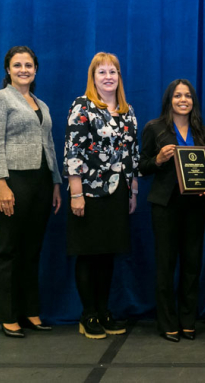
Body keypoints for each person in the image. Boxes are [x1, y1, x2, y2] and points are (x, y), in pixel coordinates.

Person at [0, 46, 62, 338]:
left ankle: (30, 311)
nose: (23, 69)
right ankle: (7, 315)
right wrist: (0, 183)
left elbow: (50, 146)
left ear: (36, 69)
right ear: (8, 69)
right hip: (13, 181)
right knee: (9, 249)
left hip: (41, 183)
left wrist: (55, 183)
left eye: (28, 65)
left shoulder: (42, 104)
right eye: (17, 65)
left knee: (32, 250)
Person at [63, 52, 139, 339]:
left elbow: (133, 153)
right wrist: (76, 193)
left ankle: (104, 311)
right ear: (93, 77)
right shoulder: (82, 106)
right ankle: (88, 314)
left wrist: (132, 191)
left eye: (113, 72)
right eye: (102, 72)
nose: (108, 77)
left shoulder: (127, 110)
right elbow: (73, 150)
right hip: (89, 193)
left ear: (119, 77)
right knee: (89, 253)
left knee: (107, 254)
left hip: (118, 193)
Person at [139, 79, 205, 343]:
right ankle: (167, 322)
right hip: (165, 206)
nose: (183, 100)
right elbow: (142, 166)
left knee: (192, 265)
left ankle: (187, 320)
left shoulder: (202, 131)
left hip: (196, 207)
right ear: (169, 100)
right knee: (165, 265)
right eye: (177, 95)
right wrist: (158, 159)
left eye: (188, 96)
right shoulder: (154, 128)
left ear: (193, 101)